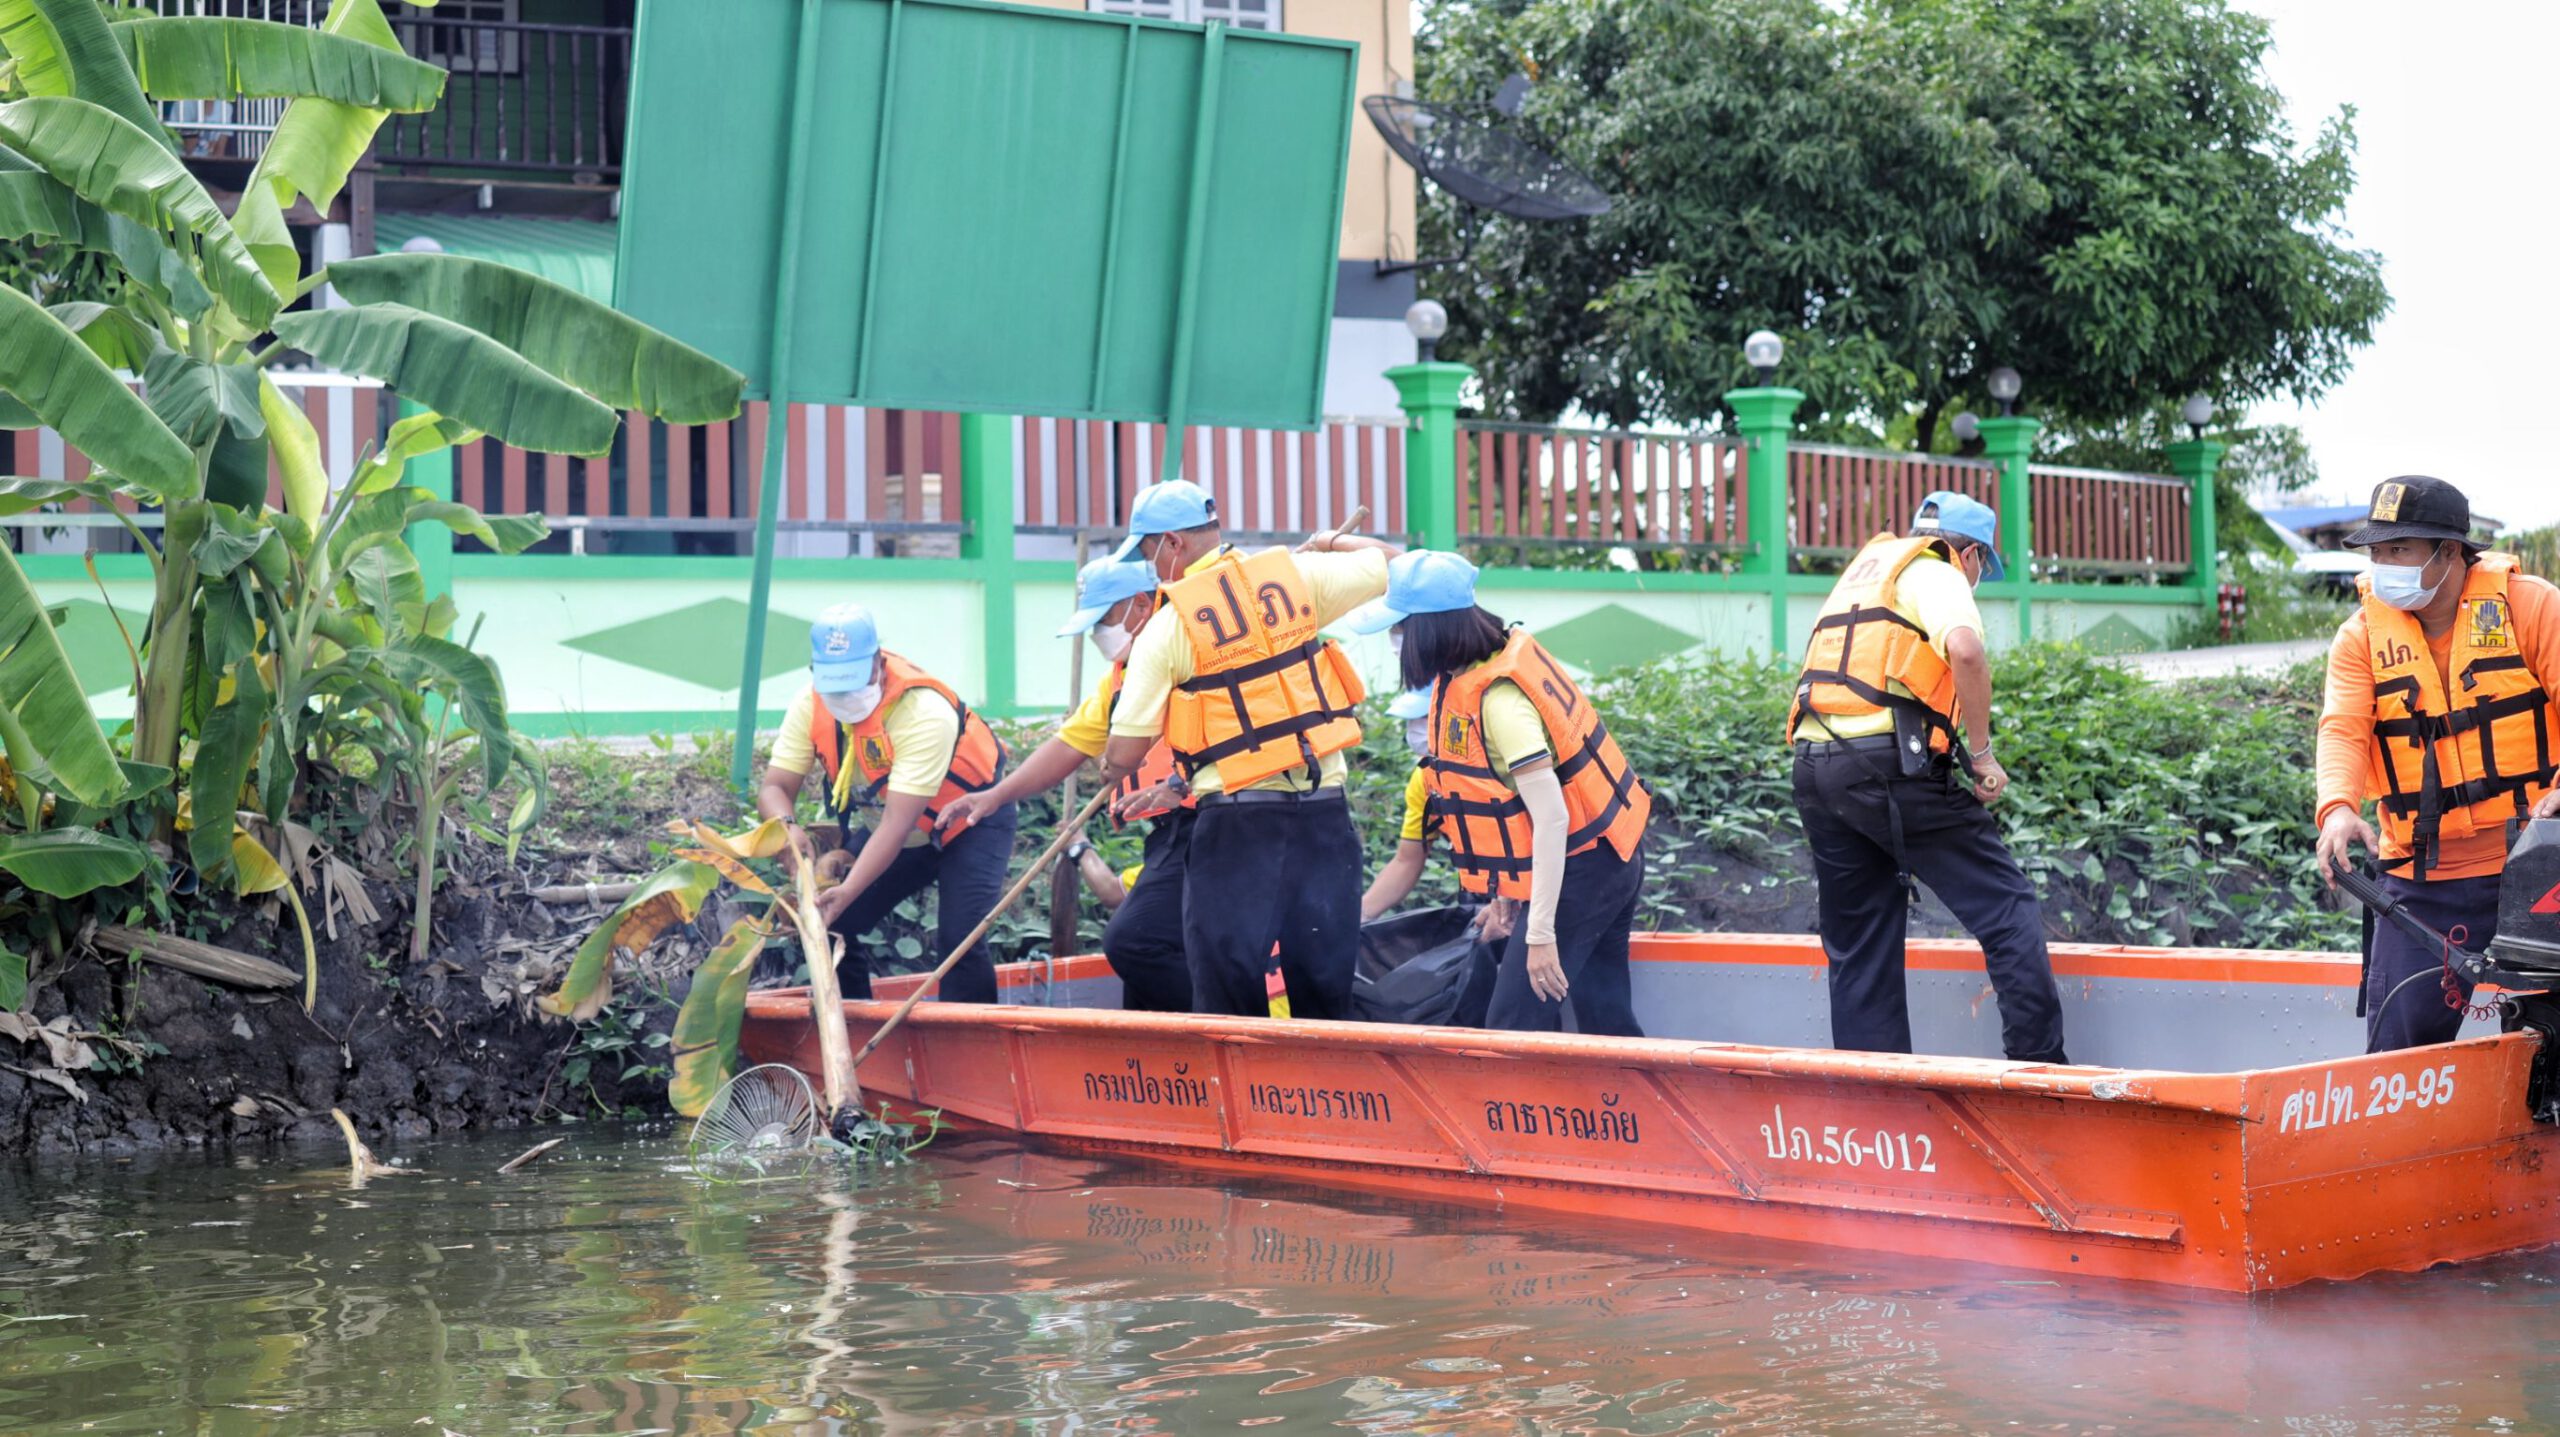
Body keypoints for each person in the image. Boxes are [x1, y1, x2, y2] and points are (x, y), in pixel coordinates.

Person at [1099, 479, 1402, 1020]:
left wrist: (1108, 767)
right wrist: (1330, 542)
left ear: (1173, 544)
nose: (1150, 566)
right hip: (1324, 818)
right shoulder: (1296, 578)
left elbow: (1124, 753)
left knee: (1227, 999)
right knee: (1324, 994)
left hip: (1237, 833)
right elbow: (1398, 565)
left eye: (1148, 552)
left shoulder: (1170, 625)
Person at [1790, 493, 2067, 1064]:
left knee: (1861, 943)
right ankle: (2040, 1071)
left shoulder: (1871, 574)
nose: (1978, 579)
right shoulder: (1939, 571)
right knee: (2007, 906)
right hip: (1887, 769)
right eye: (1983, 566)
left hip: (1816, 767)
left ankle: (1876, 1096)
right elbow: (1965, 651)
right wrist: (1983, 755)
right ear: (1971, 554)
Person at [1350, 551, 1652, 1035]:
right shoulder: (1473, 673)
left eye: (1400, 629)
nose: (1396, 644)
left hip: (1584, 866)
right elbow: (1512, 813)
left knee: (1513, 1025)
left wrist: (1540, 932)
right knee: (1603, 1016)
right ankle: (1623, 1089)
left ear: (1428, 630)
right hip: (1605, 854)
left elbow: (1552, 818)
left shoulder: (1500, 702)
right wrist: (1508, 899)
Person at [2313, 476, 2560, 1052]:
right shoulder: (2359, 638)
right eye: (2376, 553)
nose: (2382, 567)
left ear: (2450, 552)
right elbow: (2343, 728)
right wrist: (2338, 808)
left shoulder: (2531, 606)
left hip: (2538, 862)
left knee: (2552, 1044)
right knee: (2397, 1055)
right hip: (2420, 881)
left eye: (2398, 550)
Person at [938, 555, 1194, 1012]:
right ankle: (1161, 1048)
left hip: (1211, 818)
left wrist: (1179, 787)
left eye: (1104, 621)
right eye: (1092, 626)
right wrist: (995, 796)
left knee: (1133, 941)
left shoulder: (1190, 653)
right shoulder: (1121, 679)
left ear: (1141, 605)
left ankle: (1220, 1018)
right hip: (1168, 833)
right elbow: (1068, 745)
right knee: (1144, 957)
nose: (1099, 635)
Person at [756, 604, 1017, 1003]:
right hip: (895, 830)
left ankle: (971, 1039)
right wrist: (787, 828)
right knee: (830, 920)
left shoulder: (924, 712)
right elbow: (774, 787)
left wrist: (849, 890)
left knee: (960, 940)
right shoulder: (809, 705)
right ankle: (852, 1027)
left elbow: (897, 824)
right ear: (815, 672)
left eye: (854, 680)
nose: (845, 696)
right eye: (834, 685)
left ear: (878, 663)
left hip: (970, 825)